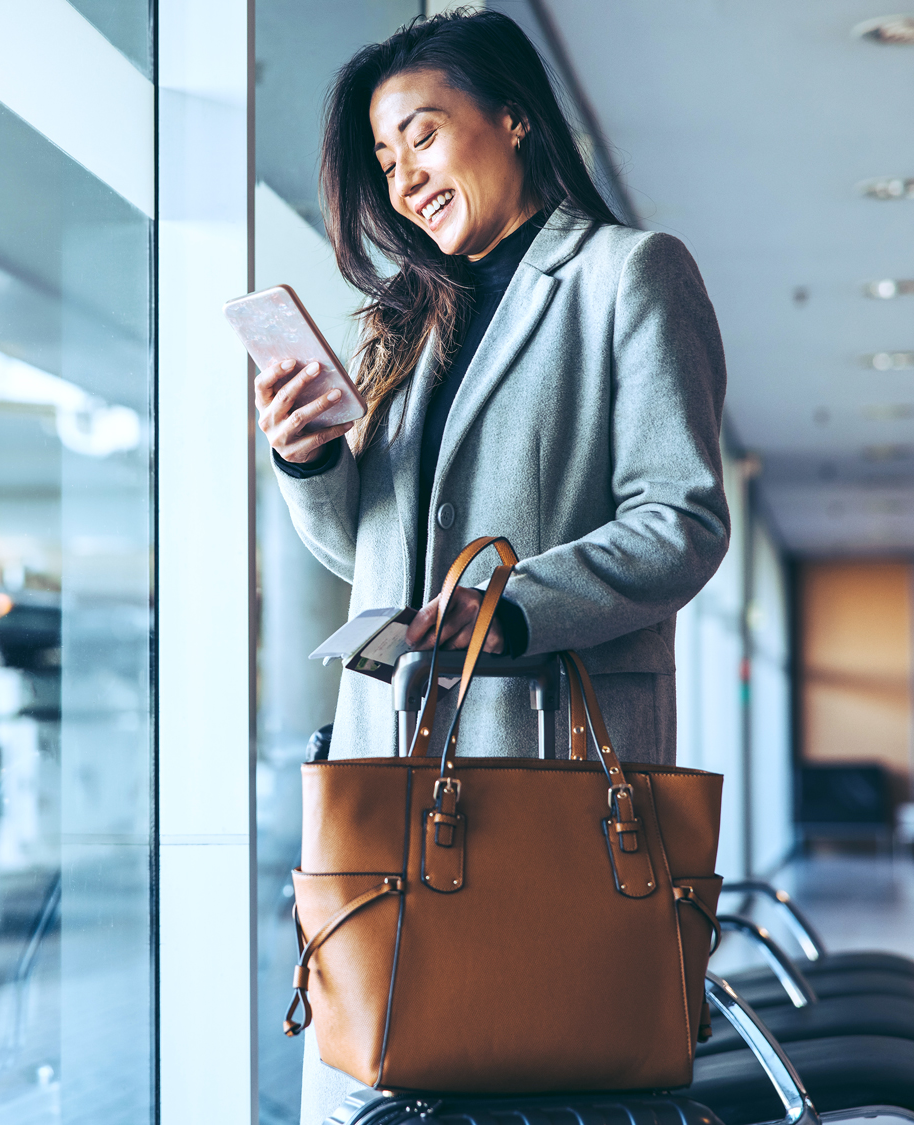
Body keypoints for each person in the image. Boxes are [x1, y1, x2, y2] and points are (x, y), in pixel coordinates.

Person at [254, 12, 730, 1120]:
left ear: (513, 117)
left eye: (421, 135)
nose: (404, 176)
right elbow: (366, 561)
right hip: (394, 763)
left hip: (546, 769)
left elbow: (683, 518)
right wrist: (309, 453)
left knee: (536, 1053)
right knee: (381, 1065)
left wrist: (506, 612)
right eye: (385, 159)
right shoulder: (415, 321)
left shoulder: (630, 275)